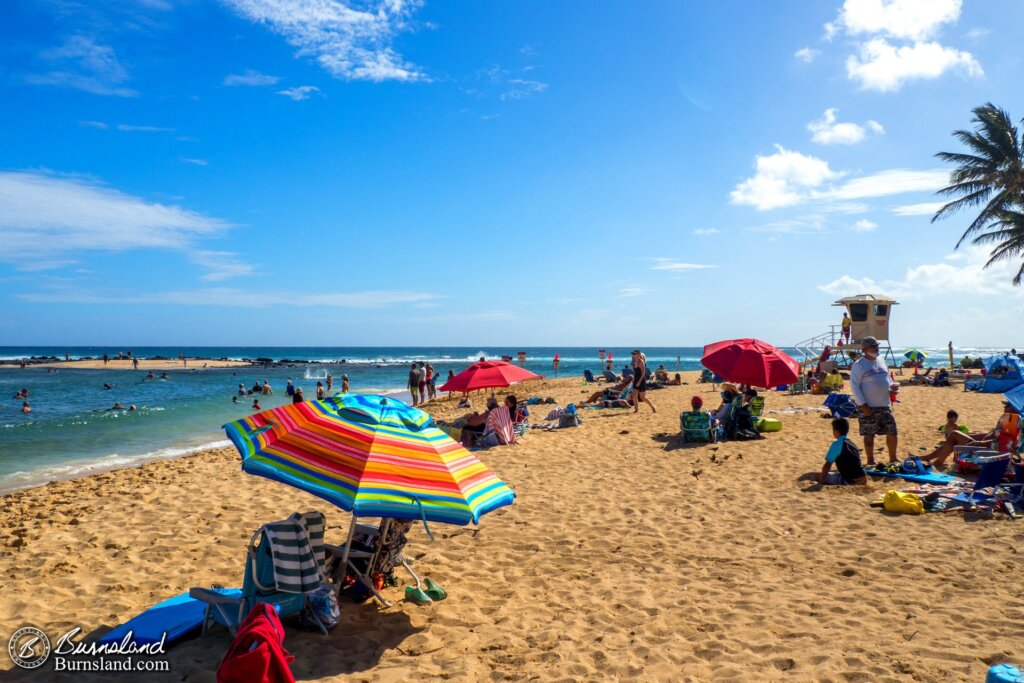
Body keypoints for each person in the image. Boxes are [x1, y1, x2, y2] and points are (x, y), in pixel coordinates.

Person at [850, 336, 898, 465]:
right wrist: (863, 404)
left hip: (885, 403)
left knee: (892, 431)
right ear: (865, 349)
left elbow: (887, 378)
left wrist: (892, 387)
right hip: (869, 405)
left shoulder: (881, 360)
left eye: (877, 346)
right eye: (874, 346)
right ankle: (871, 460)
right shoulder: (859, 365)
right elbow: (854, 386)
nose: (877, 348)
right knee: (869, 434)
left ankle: (893, 458)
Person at [818, 418, 867, 485]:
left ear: (836, 431)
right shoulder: (852, 444)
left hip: (851, 480)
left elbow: (827, 466)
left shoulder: (837, 444)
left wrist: (820, 482)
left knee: (817, 476)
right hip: (863, 477)